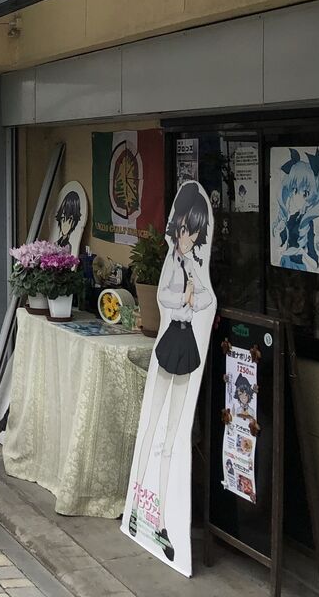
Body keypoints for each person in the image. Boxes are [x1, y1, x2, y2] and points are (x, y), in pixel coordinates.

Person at [128, 183, 215, 562]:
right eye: (182, 228)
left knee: (175, 434)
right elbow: (165, 296)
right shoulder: (170, 262)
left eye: (192, 231)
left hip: (187, 344)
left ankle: (162, 521)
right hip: (170, 342)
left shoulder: (193, 262)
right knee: (151, 425)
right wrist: (185, 298)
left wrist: (194, 271)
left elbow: (208, 300)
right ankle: (137, 508)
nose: (185, 236)